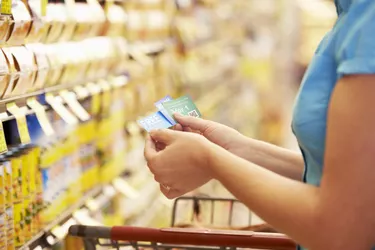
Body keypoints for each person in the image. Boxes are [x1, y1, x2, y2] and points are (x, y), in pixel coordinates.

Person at [144, 0, 375, 249]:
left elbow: (343, 232)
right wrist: (237, 151)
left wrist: (211, 160)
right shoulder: (351, 14)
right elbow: (350, 178)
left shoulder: (367, 20)